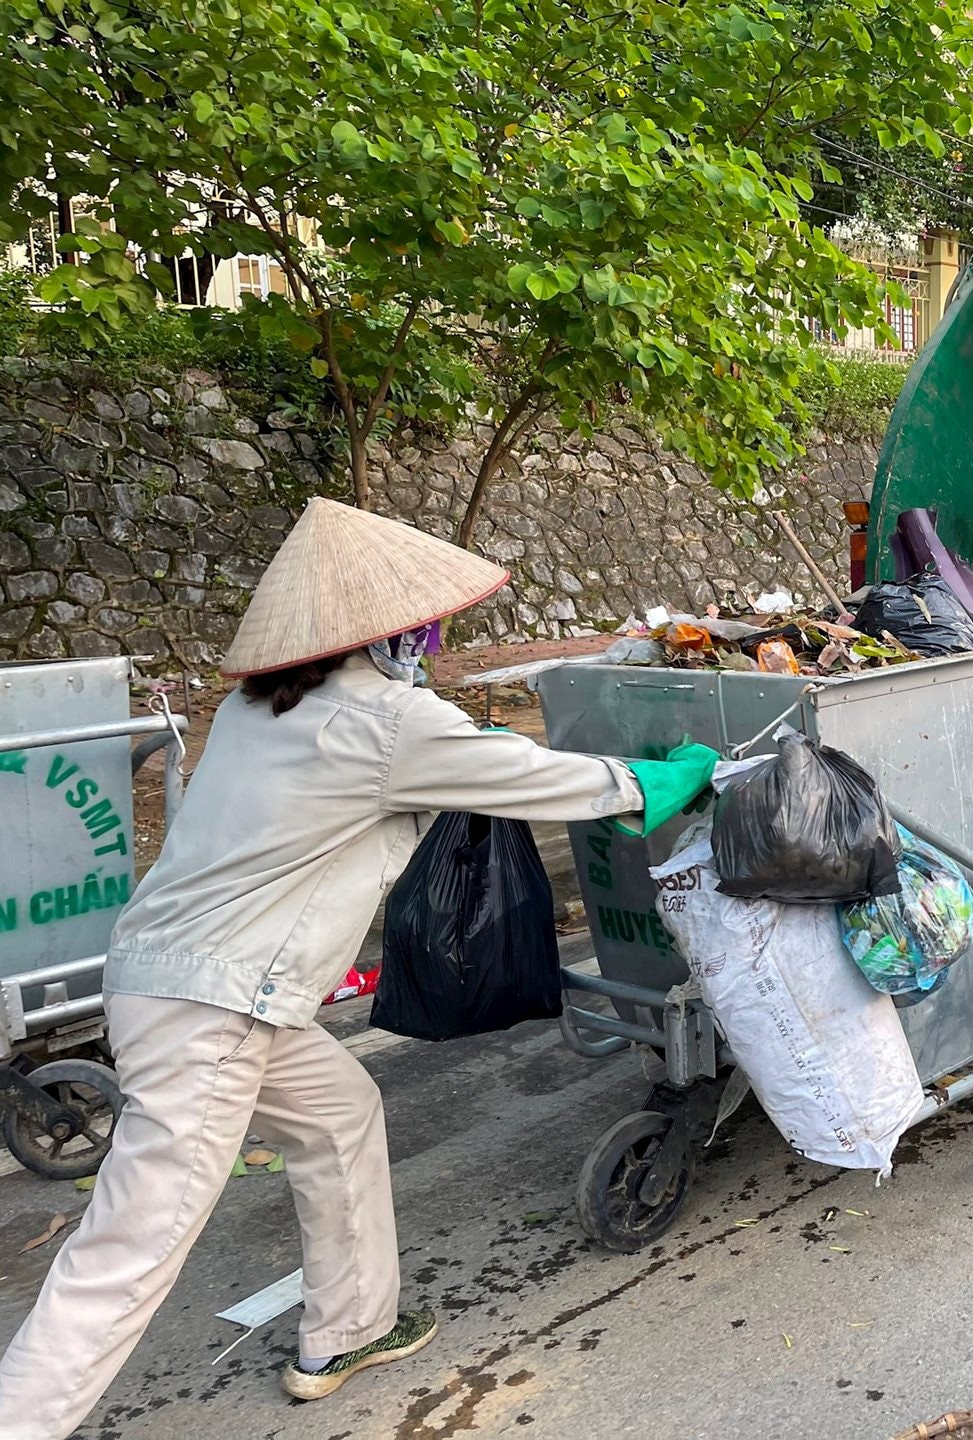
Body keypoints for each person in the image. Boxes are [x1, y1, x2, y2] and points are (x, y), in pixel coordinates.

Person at [0, 498, 716, 1438]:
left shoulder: (262, 705)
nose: (430, 639)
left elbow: (427, 759)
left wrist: (477, 749)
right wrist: (650, 782)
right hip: (215, 1007)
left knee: (341, 1113)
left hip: (172, 980)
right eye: (422, 629)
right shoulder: (385, 721)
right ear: (387, 632)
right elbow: (541, 781)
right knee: (129, 1246)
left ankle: (348, 1328)